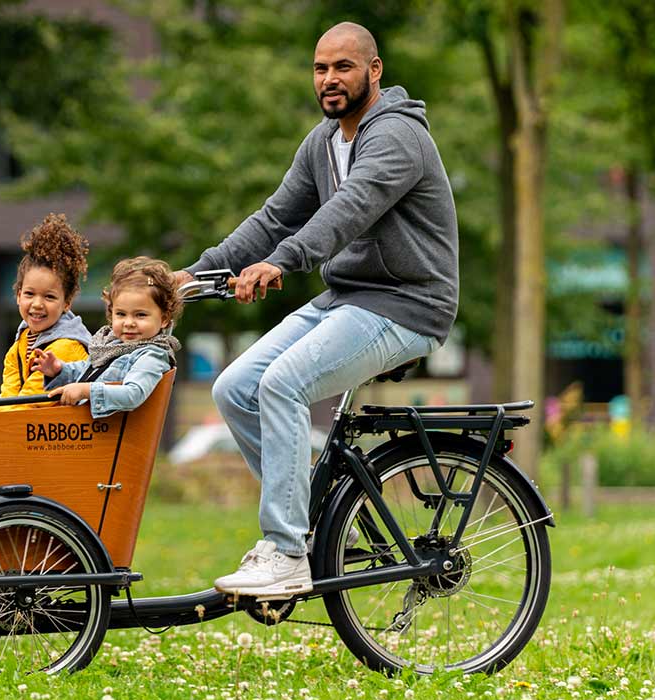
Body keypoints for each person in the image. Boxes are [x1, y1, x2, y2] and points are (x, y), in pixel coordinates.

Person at [174, 22, 459, 598]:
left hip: (409, 304)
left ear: (374, 71)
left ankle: (286, 551)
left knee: (282, 384)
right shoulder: (323, 142)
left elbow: (349, 210)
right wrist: (196, 273)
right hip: (348, 299)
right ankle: (312, 522)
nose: (330, 79)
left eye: (343, 67)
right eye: (320, 68)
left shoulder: (397, 136)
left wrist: (282, 262)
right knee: (235, 388)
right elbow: (274, 217)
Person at [33, 257, 182, 418]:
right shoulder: (113, 346)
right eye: (121, 314)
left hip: (109, 431)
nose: (129, 323)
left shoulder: (151, 355)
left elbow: (133, 393)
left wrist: (87, 390)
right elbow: (90, 370)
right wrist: (59, 370)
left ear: (164, 319)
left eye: (140, 315)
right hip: (86, 428)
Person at [0, 213, 92, 410]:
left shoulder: (66, 346)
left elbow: (31, 402)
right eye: (29, 294)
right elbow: (8, 397)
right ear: (18, 295)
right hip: (34, 426)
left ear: (67, 303)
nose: (37, 304)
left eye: (49, 297)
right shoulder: (19, 345)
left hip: (62, 427)